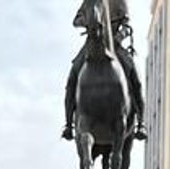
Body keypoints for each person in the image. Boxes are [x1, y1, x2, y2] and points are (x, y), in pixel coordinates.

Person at [62, 0, 147, 142]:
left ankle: (140, 123)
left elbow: (127, 25)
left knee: (133, 74)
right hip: (93, 42)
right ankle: (69, 124)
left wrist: (119, 36)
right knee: (73, 75)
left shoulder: (120, 2)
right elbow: (76, 21)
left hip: (115, 44)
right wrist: (88, 20)